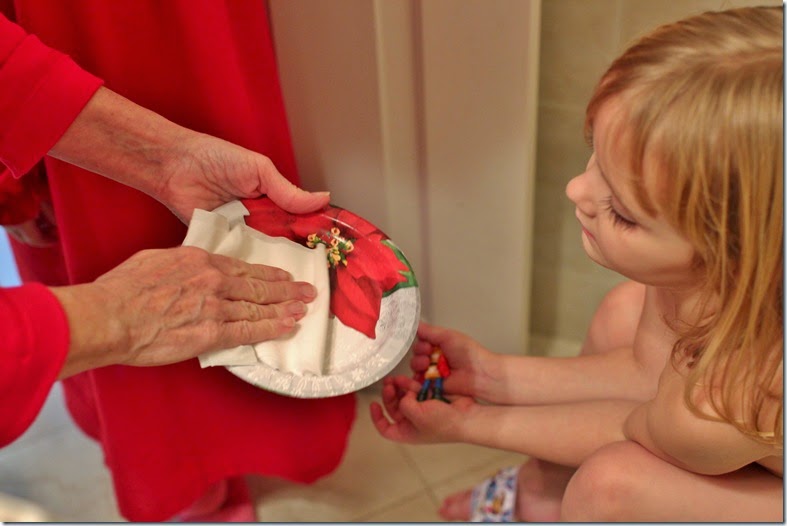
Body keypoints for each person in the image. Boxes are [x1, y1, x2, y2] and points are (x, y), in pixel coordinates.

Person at [370, 5, 783, 522]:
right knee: (621, 313)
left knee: (608, 486)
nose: (576, 191)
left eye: (622, 213)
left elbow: (629, 426)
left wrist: (468, 425)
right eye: (595, 157)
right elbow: (645, 375)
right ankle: (541, 492)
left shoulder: (719, 399)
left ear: (732, 256)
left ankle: (549, 502)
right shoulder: (719, 280)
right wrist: (493, 375)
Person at [0, 1, 356, 522]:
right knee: (144, 348)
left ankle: (233, 452)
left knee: (247, 271)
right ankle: (183, 479)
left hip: (200, 51)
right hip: (64, 44)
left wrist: (166, 158)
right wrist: (114, 317)